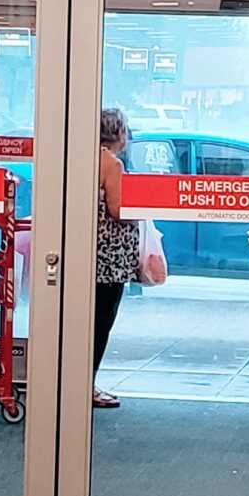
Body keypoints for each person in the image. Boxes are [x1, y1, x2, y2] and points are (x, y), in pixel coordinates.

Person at [93, 108, 140, 410]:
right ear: (119, 134)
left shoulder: (77, 155)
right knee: (100, 323)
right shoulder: (111, 163)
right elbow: (118, 209)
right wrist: (142, 211)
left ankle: (72, 380)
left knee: (81, 323)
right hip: (108, 259)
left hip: (83, 252)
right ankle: (86, 384)